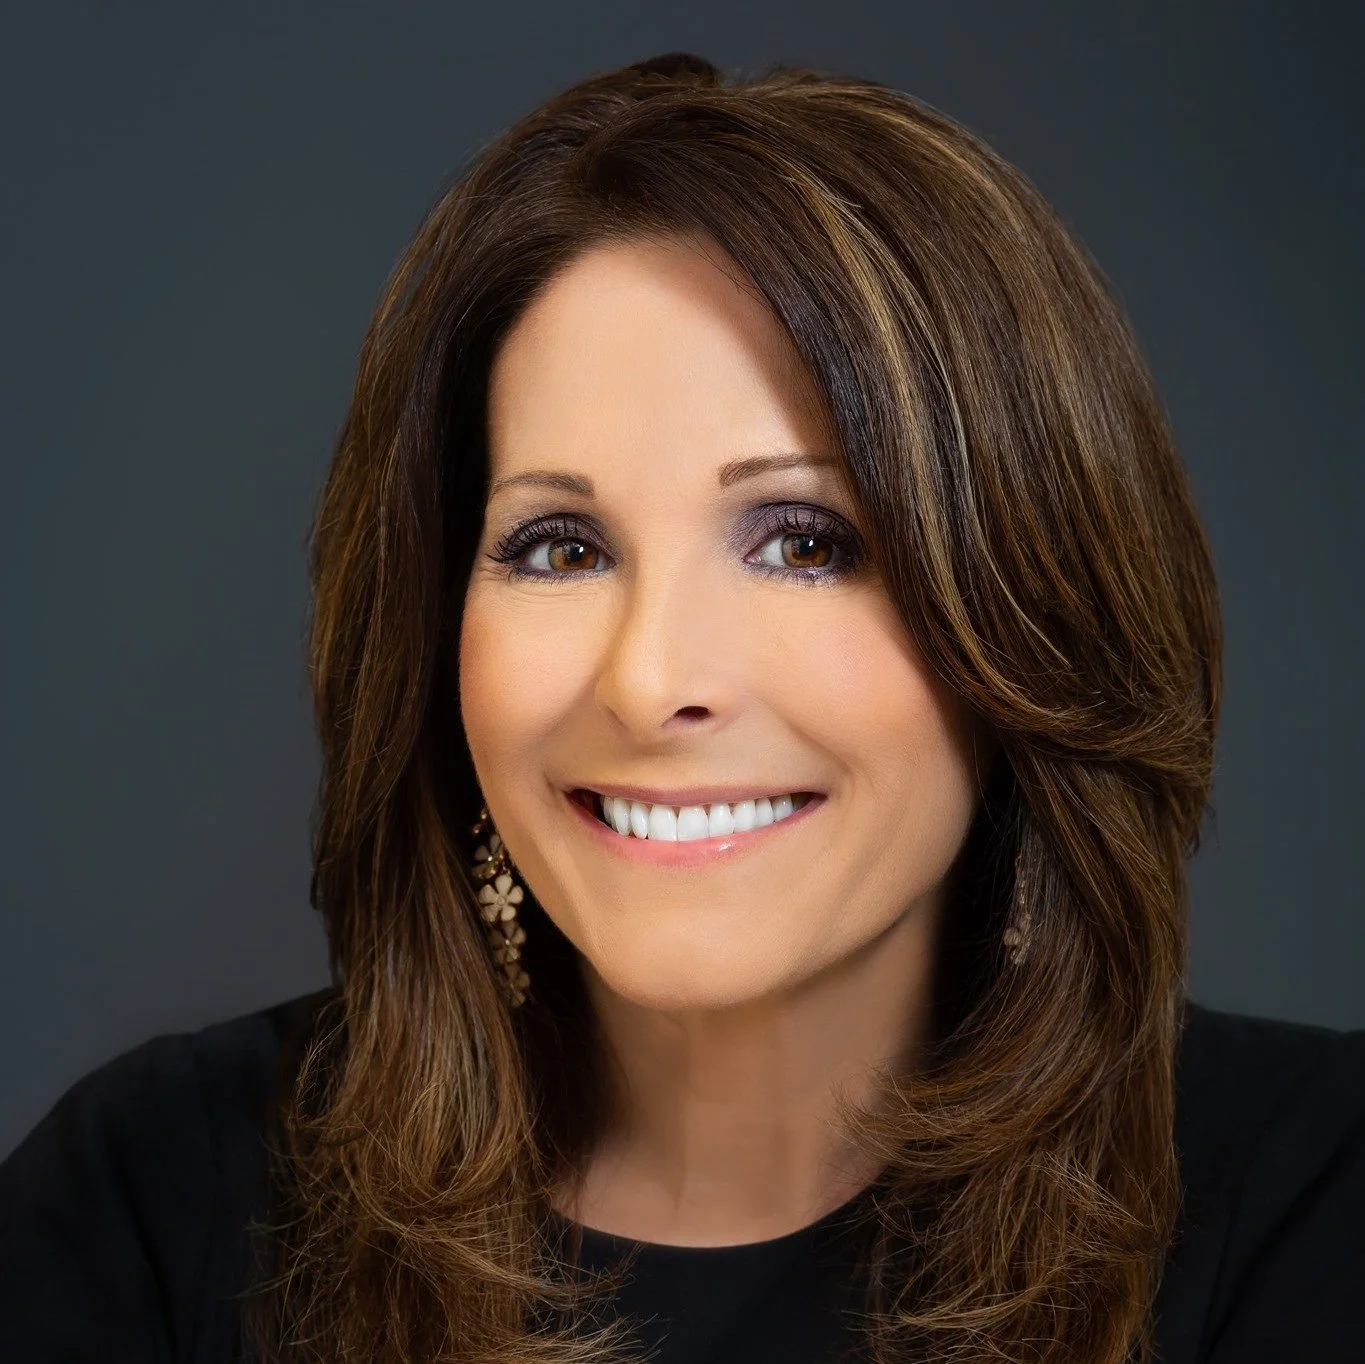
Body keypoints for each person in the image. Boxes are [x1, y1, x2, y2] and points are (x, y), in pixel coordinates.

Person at [1, 50, 1362, 1364]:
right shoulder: (155, 1210)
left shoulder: (1316, 1218)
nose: (652, 683)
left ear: (1033, 608)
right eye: (558, 548)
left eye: (806, 542)